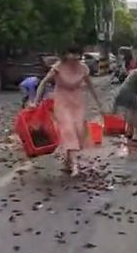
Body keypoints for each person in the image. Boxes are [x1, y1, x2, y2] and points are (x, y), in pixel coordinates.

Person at [36, 46, 102, 177]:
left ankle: (67, 161)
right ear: (66, 54)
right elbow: (43, 83)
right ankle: (75, 165)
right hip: (62, 100)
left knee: (78, 130)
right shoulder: (58, 67)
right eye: (71, 53)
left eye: (77, 53)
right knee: (68, 129)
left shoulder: (83, 68)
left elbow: (91, 86)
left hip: (77, 101)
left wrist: (100, 104)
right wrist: (36, 101)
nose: (74, 56)